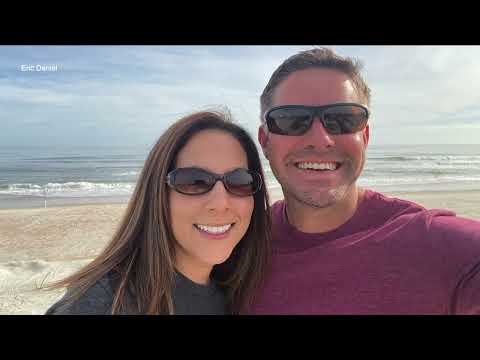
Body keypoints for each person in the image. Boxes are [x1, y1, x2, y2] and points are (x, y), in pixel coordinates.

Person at [247, 47, 480, 315]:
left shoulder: (433, 243)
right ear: (265, 141)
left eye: (343, 119)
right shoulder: (241, 245)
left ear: (365, 137)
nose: (320, 139)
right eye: (291, 120)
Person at [44, 110, 271, 315]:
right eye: (194, 181)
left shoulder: (238, 294)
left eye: (240, 181)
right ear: (157, 194)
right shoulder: (104, 304)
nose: (220, 203)